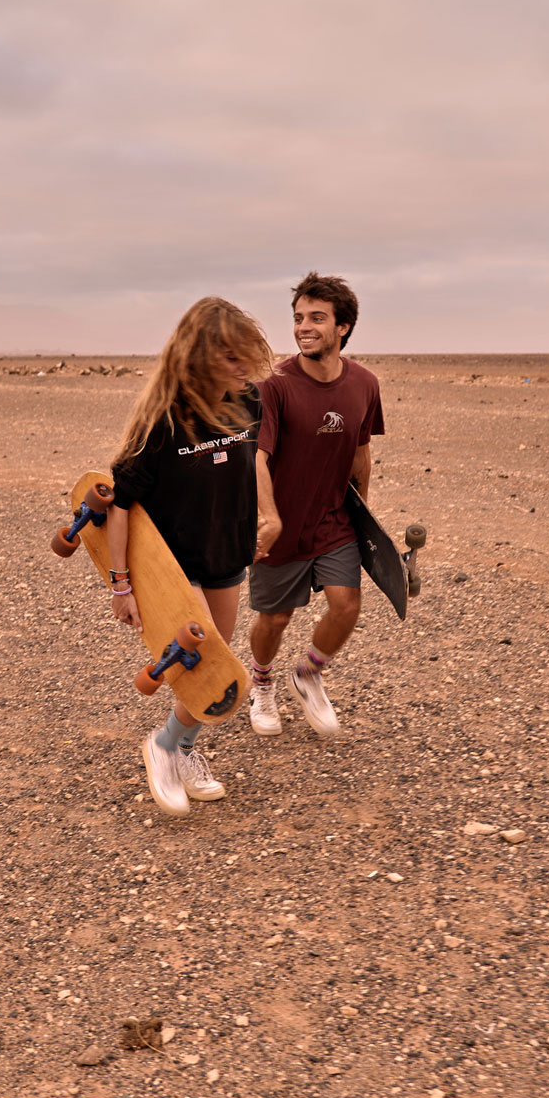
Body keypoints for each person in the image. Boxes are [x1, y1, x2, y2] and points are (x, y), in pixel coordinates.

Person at [106, 297, 276, 816]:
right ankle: (162, 748)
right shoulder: (161, 421)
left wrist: (266, 517)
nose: (242, 364)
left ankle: (180, 745)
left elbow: (252, 465)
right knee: (203, 663)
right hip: (171, 566)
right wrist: (121, 584)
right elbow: (119, 503)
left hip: (227, 553)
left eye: (245, 352)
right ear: (197, 355)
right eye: (228, 354)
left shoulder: (249, 404)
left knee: (217, 660)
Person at [247, 272, 385, 740]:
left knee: (347, 606)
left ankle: (308, 674)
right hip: (279, 525)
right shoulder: (275, 385)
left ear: (342, 327)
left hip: (333, 520)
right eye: (298, 318)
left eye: (317, 318)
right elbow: (257, 457)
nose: (304, 326)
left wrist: (363, 519)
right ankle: (261, 682)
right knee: (275, 619)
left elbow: (360, 454)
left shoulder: (364, 384)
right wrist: (268, 517)